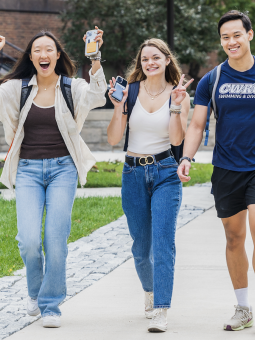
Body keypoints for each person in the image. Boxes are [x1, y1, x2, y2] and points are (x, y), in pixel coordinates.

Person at [0, 28, 107, 328]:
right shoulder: (18, 88)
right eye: (37, 50)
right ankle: (35, 292)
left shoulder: (72, 87)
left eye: (49, 49)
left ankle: (50, 304)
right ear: (31, 57)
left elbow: (99, 95)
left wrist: (95, 55)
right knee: (29, 240)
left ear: (57, 55)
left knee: (55, 240)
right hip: (28, 170)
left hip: (63, 169)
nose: (43, 55)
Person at [177, 11, 255, 336]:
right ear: (221, 41)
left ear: (250, 35)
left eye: (237, 35)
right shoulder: (211, 80)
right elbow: (198, 124)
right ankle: (243, 307)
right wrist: (187, 156)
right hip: (226, 168)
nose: (231, 42)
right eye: (225, 37)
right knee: (233, 238)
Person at [106, 38, 193, 333]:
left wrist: (176, 107)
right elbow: (114, 139)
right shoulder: (130, 92)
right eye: (145, 59)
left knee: (163, 244)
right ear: (140, 63)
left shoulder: (178, 94)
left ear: (167, 60)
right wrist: (119, 107)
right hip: (132, 172)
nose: (150, 63)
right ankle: (150, 290)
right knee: (141, 249)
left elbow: (178, 140)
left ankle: (161, 309)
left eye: (156, 57)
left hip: (166, 172)